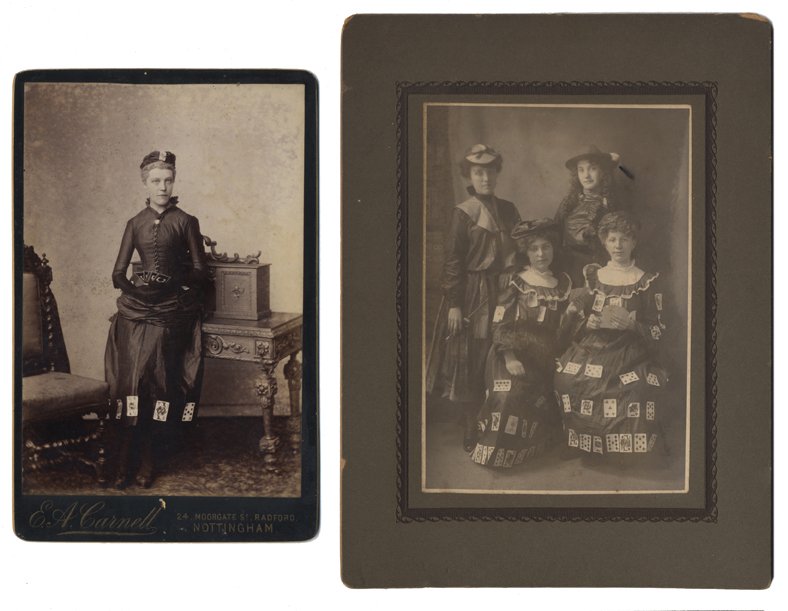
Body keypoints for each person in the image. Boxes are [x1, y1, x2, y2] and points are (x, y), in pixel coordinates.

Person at [104, 150, 207, 489]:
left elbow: (199, 270)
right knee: (130, 381)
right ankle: (123, 462)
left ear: (173, 181)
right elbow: (118, 273)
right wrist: (137, 292)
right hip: (137, 308)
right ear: (145, 183)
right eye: (156, 181)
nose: (163, 186)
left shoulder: (186, 221)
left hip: (170, 311)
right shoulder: (135, 223)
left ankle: (148, 460)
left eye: (168, 180)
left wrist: (173, 290)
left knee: (153, 378)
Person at [426, 144, 521, 451]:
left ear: (497, 173)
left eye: (490, 171)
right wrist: (454, 304)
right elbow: (452, 260)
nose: (485, 177)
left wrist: (513, 268)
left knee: (503, 351)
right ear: (469, 175)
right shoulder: (463, 213)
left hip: (506, 291)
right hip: (473, 294)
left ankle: (500, 420)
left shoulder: (508, 209)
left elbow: (521, 246)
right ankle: (470, 425)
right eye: (478, 172)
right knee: (472, 357)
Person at [554, 211, 667, 459]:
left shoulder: (645, 281)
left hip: (631, 349)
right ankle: (583, 443)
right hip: (594, 345)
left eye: (625, 239)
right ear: (604, 242)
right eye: (613, 239)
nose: (618, 245)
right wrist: (589, 323)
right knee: (568, 378)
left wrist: (632, 326)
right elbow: (578, 320)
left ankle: (620, 453)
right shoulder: (595, 278)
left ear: (634, 242)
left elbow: (660, 330)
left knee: (629, 386)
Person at [471, 219, 571, 469]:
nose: (541, 254)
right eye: (534, 248)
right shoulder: (515, 281)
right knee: (508, 395)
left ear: (553, 249)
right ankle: (496, 452)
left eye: (546, 247)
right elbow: (499, 322)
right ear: (526, 251)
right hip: (510, 353)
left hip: (544, 357)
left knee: (541, 395)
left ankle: (533, 447)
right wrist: (510, 358)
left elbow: (564, 329)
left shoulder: (564, 283)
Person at [554, 145, 625, 286]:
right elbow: (554, 233)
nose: (586, 175)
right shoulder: (569, 203)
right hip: (568, 267)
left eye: (592, 168)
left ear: (603, 171)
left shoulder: (611, 204)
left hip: (598, 268)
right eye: (581, 170)